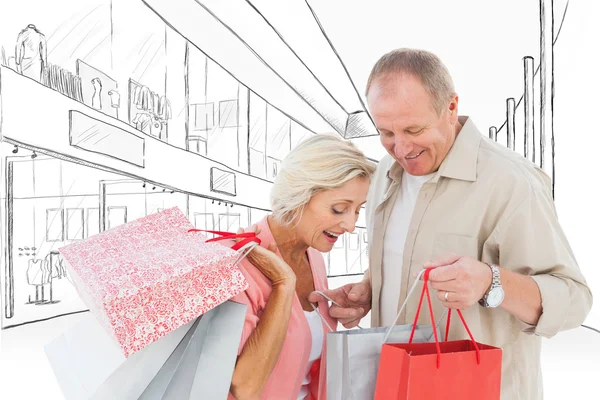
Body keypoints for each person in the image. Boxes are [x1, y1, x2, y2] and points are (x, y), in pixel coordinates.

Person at [309, 48, 593, 399]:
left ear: (451, 107)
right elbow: (405, 255)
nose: (400, 147)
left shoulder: (510, 181)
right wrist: (371, 289)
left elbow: (573, 299)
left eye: (413, 128)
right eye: (386, 132)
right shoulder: (384, 173)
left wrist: (491, 282)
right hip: (395, 385)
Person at [227, 134, 376, 400]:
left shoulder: (313, 257)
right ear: (299, 196)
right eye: (339, 209)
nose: (351, 225)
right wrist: (284, 286)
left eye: (357, 210)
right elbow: (242, 390)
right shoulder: (237, 265)